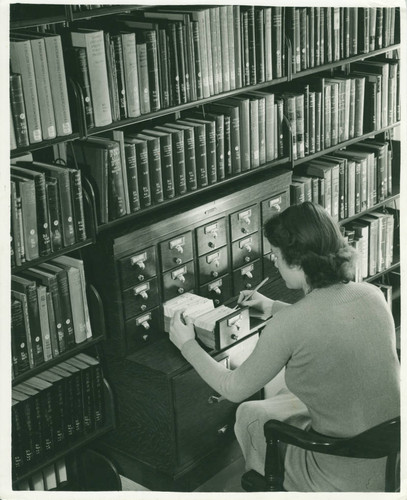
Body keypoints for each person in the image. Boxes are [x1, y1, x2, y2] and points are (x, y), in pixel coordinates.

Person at [169, 201, 400, 492]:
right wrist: (271, 305)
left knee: (249, 415)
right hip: (392, 460)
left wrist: (187, 344)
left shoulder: (289, 324)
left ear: (297, 260)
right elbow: (323, 319)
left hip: (340, 473)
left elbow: (233, 388)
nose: (275, 264)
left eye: (277, 256)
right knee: (282, 397)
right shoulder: (371, 294)